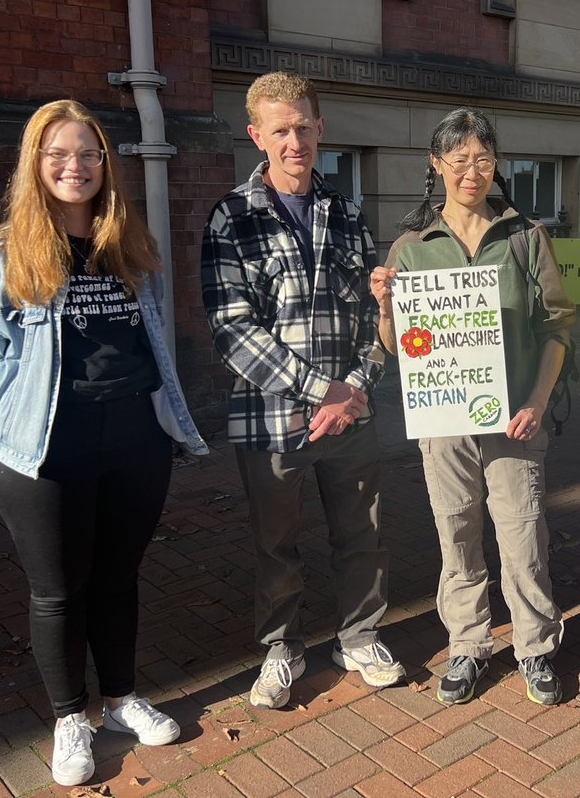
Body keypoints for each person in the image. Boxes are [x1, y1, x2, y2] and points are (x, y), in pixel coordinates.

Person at [0, 100, 208, 787]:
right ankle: (71, 717)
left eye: (88, 153)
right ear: (35, 165)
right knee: (59, 591)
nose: (75, 166)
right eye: (58, 154)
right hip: (44, 454)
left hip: (135, 444)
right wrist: (14, 419)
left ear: (105, 165)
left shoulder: (130, 246)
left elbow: (149, 340)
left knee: (118, 578)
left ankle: (120, 700)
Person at [202, 73, 403, 711]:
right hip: (272, 417)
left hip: (352, 414)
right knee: (275, 543)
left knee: (362, 533)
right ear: (256, 134)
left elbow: (375, 322)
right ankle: (281, 647)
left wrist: (361, 383)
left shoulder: (345, 212)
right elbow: (232, 329)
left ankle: (360, 635)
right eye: (280, 130)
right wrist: (323, 391)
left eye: (304, 127)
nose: (295, 141)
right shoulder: (231, 217)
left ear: (322, 129)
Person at [369, 108, 574, 706]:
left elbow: (558, 328)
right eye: (458, 160)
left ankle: (536, 647)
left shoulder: (524, 237)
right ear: (436, 165)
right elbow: (399, 347)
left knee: (522, 534)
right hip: (445, 419)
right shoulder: (412, 247)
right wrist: (385, 309)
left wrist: (537, 401)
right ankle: (468, 644)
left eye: (482, 159)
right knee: (456, 531)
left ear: (495, 165)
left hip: (514, 417)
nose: (471, 171)